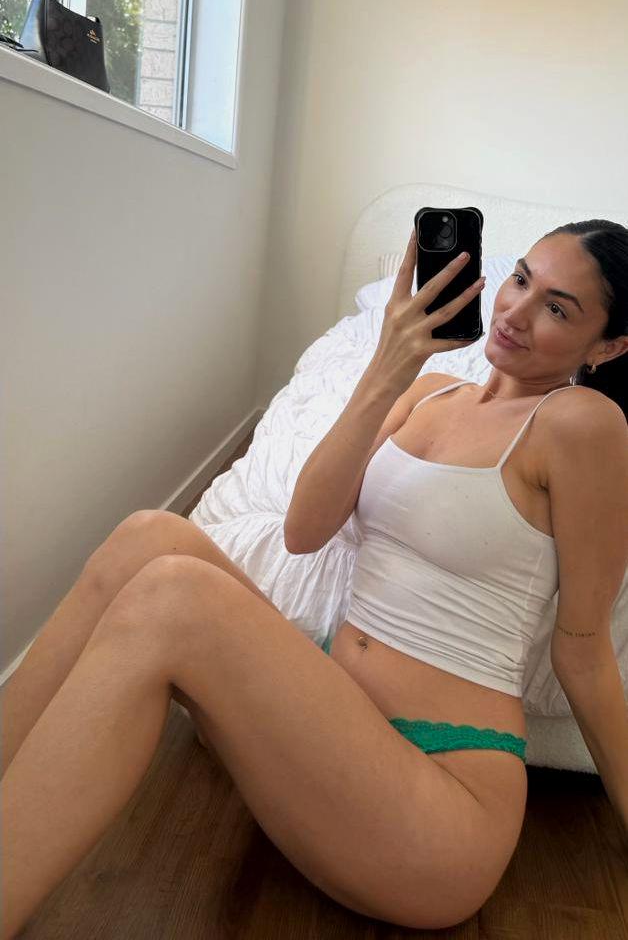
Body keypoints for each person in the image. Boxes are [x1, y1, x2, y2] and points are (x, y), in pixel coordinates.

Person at [2, 221, 627, 937]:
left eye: (558, 308)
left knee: (175, 596)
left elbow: (584, 651)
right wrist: (388, 367)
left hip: (440, 806)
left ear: (608, 347)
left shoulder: (582, 423)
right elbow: (305, 530)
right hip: (333, 735)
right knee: (149, 537)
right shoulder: (428, 393)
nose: (517, 312)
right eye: (520, 279)